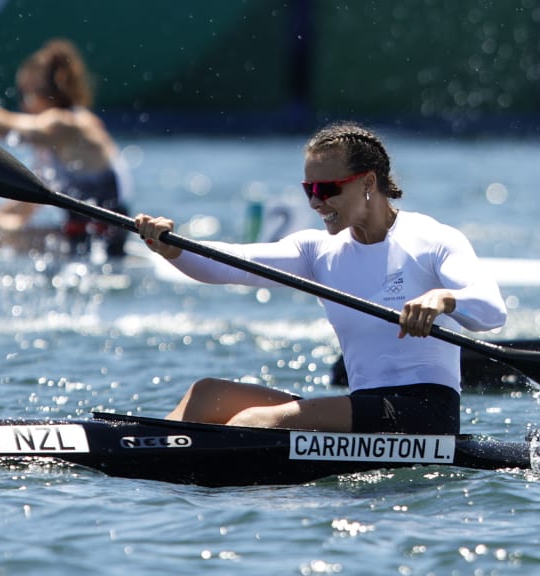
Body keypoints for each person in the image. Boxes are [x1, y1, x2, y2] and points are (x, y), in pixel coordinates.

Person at [134, 122, 507, 435]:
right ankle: (141, 452)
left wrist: (443, 299)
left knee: (253, 422)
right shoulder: (318, 251)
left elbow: (492, 310)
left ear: (367, 183)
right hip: (364, 405)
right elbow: (233, 262)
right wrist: (173, 248)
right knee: (206, 395)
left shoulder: (431, 239)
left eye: (326, 189)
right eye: (308, 190)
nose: (315, 203)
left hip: (424, 414)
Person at [0, 38, 132, 259]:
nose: (24, 105)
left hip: (101, 245)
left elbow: (5, 127)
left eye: (28, 95)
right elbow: (27, 205)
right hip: (86, 239)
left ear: (50, 92)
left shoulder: (67, 125)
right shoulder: (54, 144)